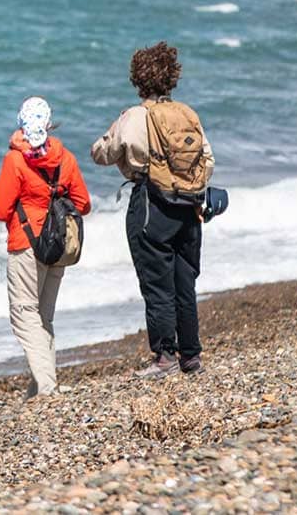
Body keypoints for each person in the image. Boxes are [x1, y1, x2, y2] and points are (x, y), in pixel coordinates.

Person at [91, 42, 214, 378]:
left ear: (137, 80)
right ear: (171, 77)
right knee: (185, 282)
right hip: (189, 206)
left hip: (151, 205)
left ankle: (164, 357)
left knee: (157, 284)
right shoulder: (187, 114)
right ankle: (191, 356)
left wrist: (109, 148)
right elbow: (209, 159)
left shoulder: (135, 116)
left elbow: (104, 152)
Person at [0, 97, 91, 399]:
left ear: (20, 123)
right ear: (48, 123)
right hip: (57, 244)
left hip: (26, 244)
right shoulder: (65, 158)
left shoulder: (15, 160)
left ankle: (47, 387)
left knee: (24, 315)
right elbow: (84, 204)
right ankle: (39, 387)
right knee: (42, 317)